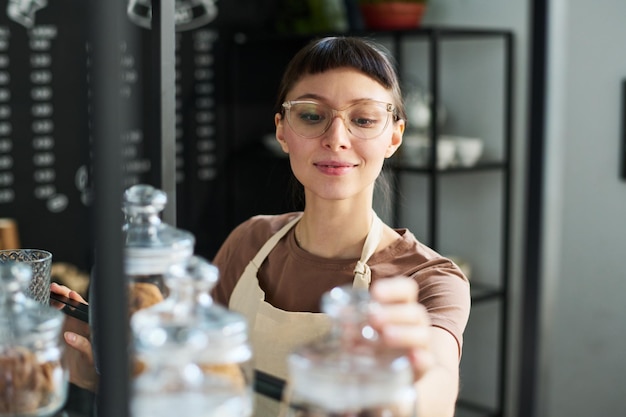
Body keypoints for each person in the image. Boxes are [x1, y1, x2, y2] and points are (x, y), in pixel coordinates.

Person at [53, 36, 470, 417]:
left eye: (363, 119)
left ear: (394, 137)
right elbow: (196, 383)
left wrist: (407, 393)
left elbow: (437, 385)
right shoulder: (250, 241)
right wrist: (100, 368)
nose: (336, 137)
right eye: (311, 115)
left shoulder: (431, 280)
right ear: (283, 131)